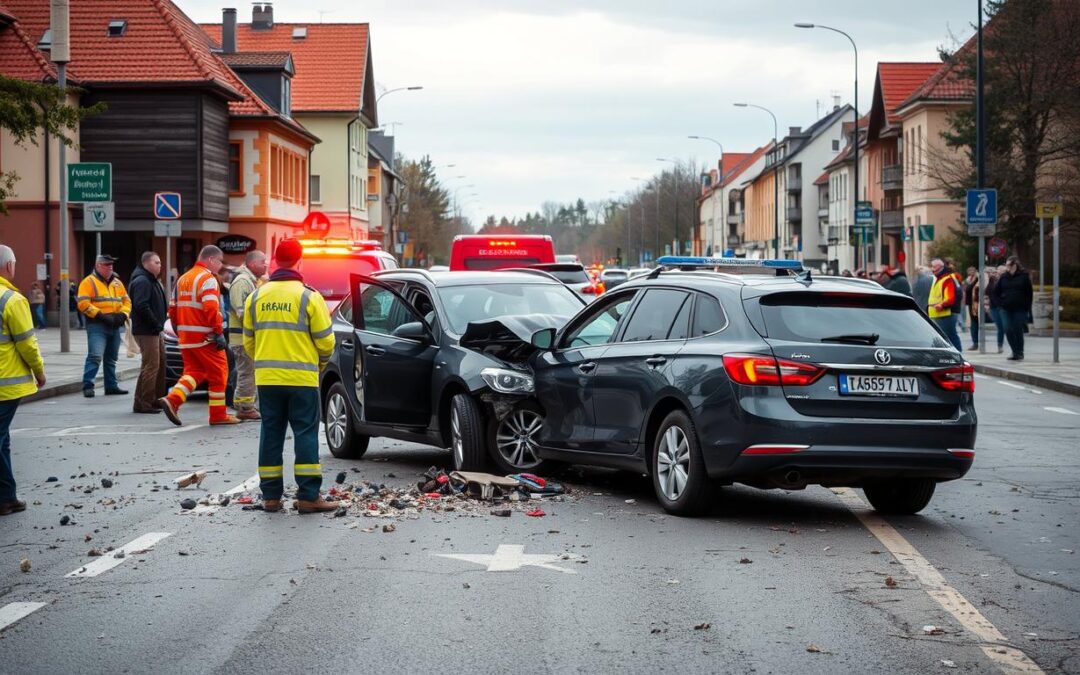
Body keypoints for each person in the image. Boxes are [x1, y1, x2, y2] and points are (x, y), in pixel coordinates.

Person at [243, 238, 336, 513]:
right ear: (299, 260)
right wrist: (317, 365)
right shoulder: (309, 296)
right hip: (302, 380)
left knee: (270, 434)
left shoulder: (257, 296)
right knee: (305, 434)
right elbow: (326, 342)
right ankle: (308, 495)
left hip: (268, 379)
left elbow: (248, 341)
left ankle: (271, 497)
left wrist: (265, 362)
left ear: (274, 261)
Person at [158, 246, 239, 426]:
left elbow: (172, 309)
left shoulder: (182, 279)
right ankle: (218, 415)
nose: (220, 266)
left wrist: (181, 333)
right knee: (219, 373)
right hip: (206, 338)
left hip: (187, 338)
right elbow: (211, 308)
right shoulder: (208, 278)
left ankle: (173, 400)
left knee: (194, 372)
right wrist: (218, 333)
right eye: (219, 262)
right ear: (211, 260)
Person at [0, 245, 46, 516]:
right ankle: (5, 497)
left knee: (2, 438)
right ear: (8, 267)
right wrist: (39, 371)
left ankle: (7, 494)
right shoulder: (11, 300)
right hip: (6, 384)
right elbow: (27, 343)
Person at [77, 254, 130, 397]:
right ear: (98, 266)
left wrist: (123, 315)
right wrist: (100, 315)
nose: (110, 267)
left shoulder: (117, 283)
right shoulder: (88, 282)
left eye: (112, 264)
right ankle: (88, 386)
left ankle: (111, 386)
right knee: (95, 356)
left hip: (115, 324)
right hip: (97, 325)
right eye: (107, 264)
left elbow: (127, 301)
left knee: (111, 358)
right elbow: (82, 304)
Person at [228, 250, 267, 421]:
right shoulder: (243, 282)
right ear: (251, 264)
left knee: (249, 372)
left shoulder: (251, 281)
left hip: (246, 337)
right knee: (246, 372)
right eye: (262, 261)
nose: (265, 265)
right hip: (242, 338)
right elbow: (242, 312)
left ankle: (246, 405)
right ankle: (244, 407)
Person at [128, 251, 168, 414]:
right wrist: (156, 324)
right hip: (147, 330)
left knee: (157, 363)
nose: (160, 265)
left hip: (153, 329)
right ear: (146, 263)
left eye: (160, 262)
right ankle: (144, 402)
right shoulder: (143, 280)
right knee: (151, 365)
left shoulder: (150, 280)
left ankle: (153, 399)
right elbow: (141, 305)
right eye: (156, 262)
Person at [992, 255, 1033, 361]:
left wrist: (1027, 308)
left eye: (1009, 265)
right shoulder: (1003, 277)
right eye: (1006, 265)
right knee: (1007, 328)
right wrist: (1000, 304)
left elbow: (1029, 294)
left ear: (1015, 265)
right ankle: (1015, 351)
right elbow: (995, 293)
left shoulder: (1024, 276)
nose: (1007, 268)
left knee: (1017, 329)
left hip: (1020, 309)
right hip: (1005, 309)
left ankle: (1020, 352)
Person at [929, 258, 962, 351]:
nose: (932, 269)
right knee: (948, 336)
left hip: (946, 313)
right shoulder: (940, 278)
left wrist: (942, 305)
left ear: (940, 267)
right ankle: (955, 355)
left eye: (934, 267)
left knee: (950, 336)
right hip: (941, 313)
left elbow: (950, 298)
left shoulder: (946, 279)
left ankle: (958, 355)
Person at [986, 266, 1006, 353]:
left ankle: (1008, 345)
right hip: (994, 307)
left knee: (1006, 327)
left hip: (1003, 307)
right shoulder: (992, 281)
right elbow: (987, 292)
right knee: (1000, 327)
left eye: (999, 272)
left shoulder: (1006, 281)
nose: (996, 273)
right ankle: (1000, 345)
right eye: (997, 272)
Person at [966, 269, 980, 349]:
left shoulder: (977, 280)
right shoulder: (969, 280)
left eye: (972, 271)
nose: (970, 273)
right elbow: (967, 290)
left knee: (975, 324)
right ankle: (975, 343)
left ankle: (975, 343)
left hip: (977, 304)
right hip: (972, 304)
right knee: (973, 324)